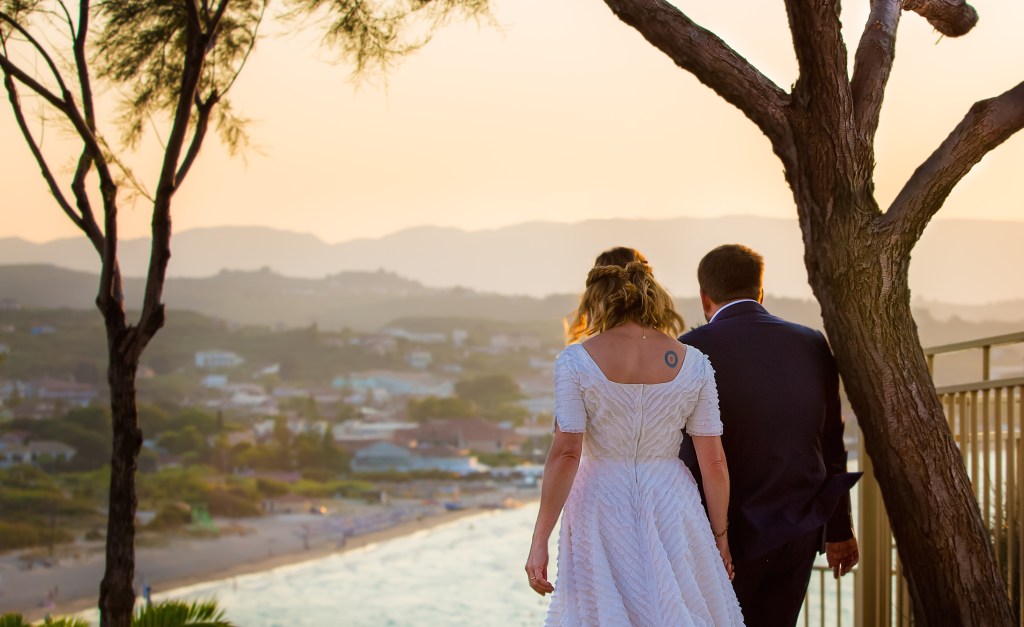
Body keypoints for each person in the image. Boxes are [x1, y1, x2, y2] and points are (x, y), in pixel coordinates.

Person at [525, 250, 744, 626]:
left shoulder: (575, 361)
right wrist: (720, 536)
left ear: (596, 296)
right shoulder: (694, 363)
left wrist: (539, 540)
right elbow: (714, 462)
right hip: (672, 500)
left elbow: (565, 454)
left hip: (600, 501)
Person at [679, 244, 861, 627]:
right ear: (761, 291)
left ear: (704, 297)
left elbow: (684, 452)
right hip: (799, 531)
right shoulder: (811, 342)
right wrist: (840, 529)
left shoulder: (691, 350)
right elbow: (831, 440)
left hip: (725, 536)